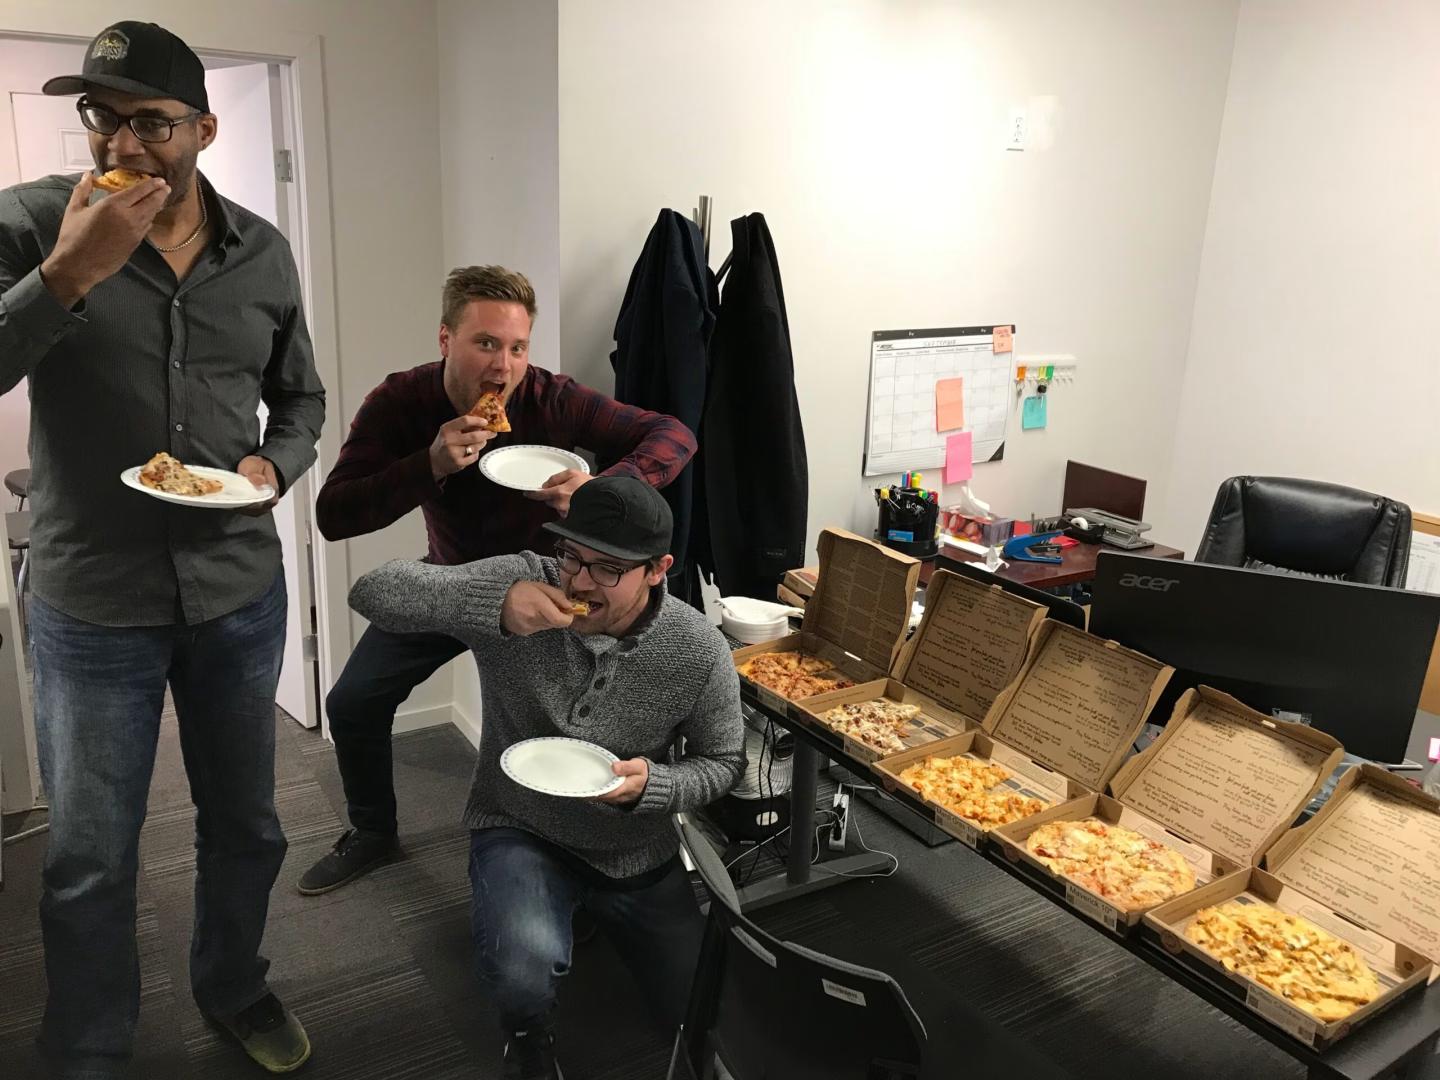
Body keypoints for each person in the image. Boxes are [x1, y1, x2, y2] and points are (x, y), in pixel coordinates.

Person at [0, 22, 324, 1078]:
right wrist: (65, 275)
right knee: (91, 858)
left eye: (150, 121)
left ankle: (233, 986)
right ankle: (89, 1048)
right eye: (103, 116)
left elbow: (301, 397)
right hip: (93, 599)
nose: (123, 144)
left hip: (236, 589)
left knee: (250, 826)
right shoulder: (36, 221)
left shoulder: (263, 253)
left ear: (202, 128)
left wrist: (278, 463)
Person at [299, 265, 698, 895]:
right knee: (352, 703)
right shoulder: (401, 402)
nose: (503, 367)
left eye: (517, 347)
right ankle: (373, 832)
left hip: (552, 590)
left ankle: (571, 862)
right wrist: (426, 464)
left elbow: (673, 435)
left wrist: (604, 489)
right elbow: (334, 515)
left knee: (559, 736)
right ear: (444, 340)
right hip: (454, 582)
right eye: (485, 343)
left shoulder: (550, 398)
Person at [348, 474, 743, 1079]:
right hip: (519, 824)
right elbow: (373, 592)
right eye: (573, 557)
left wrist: (655, 787)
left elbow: (722, 762)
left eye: (609, 568)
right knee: (520, 973)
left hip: (634, 849)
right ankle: (527, 1038)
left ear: (658, 569)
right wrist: (495, 608)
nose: (581, 581)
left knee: (697, 1005)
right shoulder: (522, 581)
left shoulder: (697, 649)